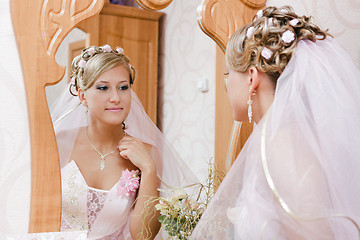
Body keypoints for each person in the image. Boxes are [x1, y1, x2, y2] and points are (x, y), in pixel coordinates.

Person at [191, 6, 360, 239]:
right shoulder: (278, 133)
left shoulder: (281, 141)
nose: (226, 84)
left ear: (251, 78)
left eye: (228, 74)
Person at [50, 45, 199, 239]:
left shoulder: (148, 153)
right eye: (103, 88)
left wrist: (148, 169)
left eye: (123, 87)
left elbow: (143, 236)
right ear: (82, 96)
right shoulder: (58, 143)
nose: (115, 98)